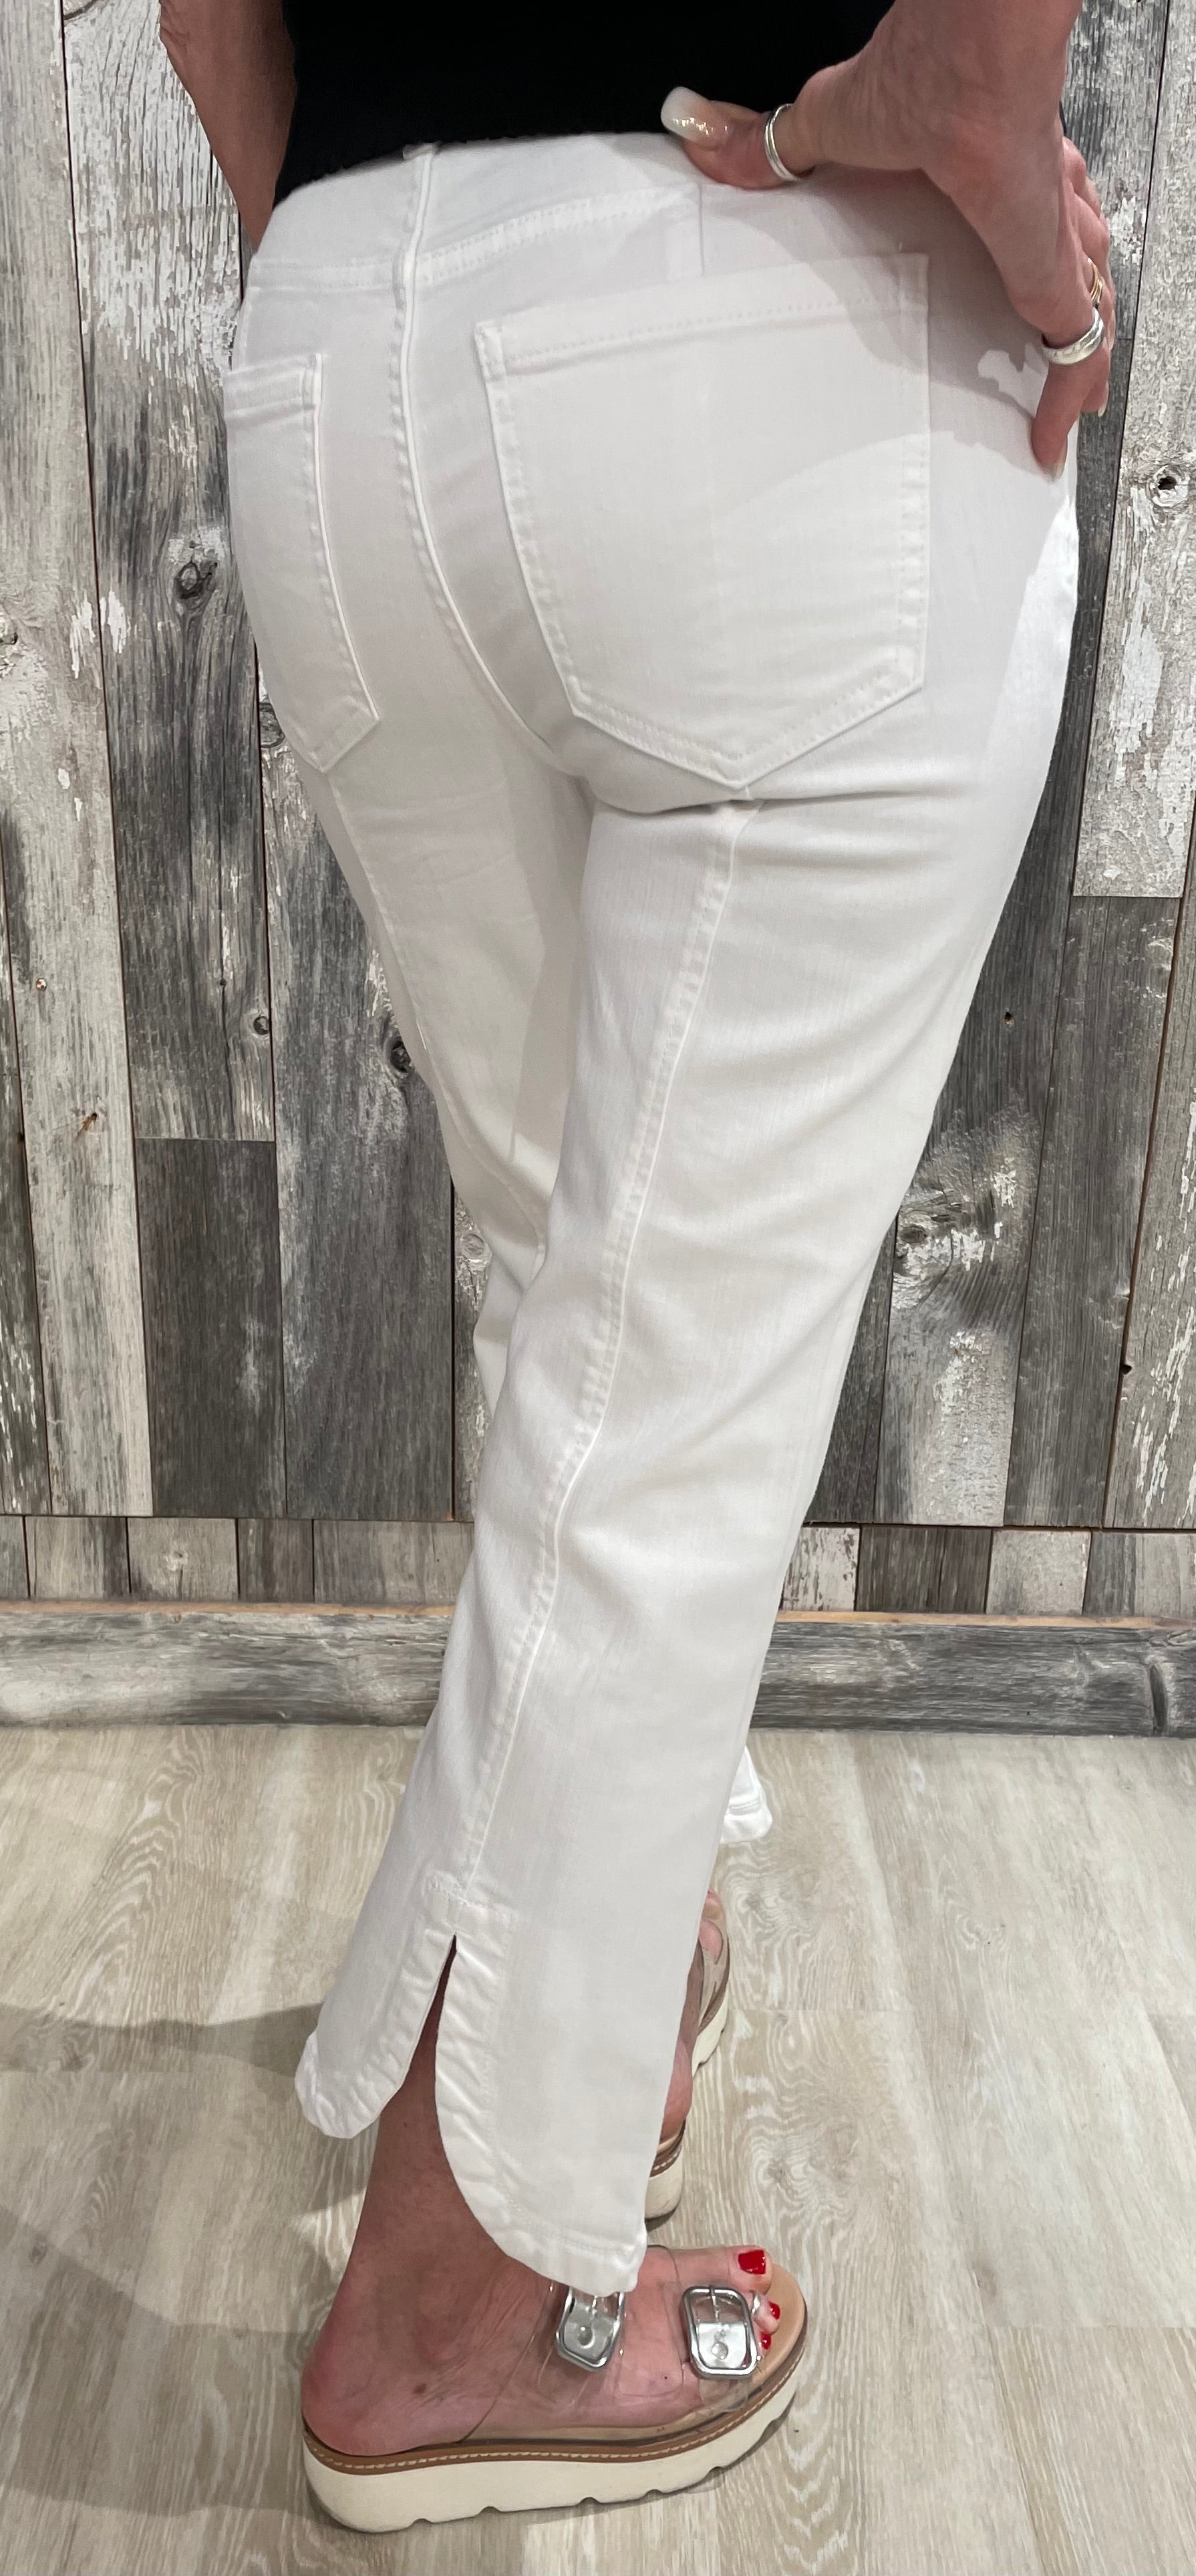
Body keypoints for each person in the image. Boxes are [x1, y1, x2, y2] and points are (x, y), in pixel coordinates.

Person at [162, 0, 1112, 2531]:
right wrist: (989, 140)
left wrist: (370, 277)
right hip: (772, 318)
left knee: (566, 1268)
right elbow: (965, 75)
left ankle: (606, 1958)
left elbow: (199, 17)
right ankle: (451, 2298)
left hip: (346, 341)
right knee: (665, 1393)